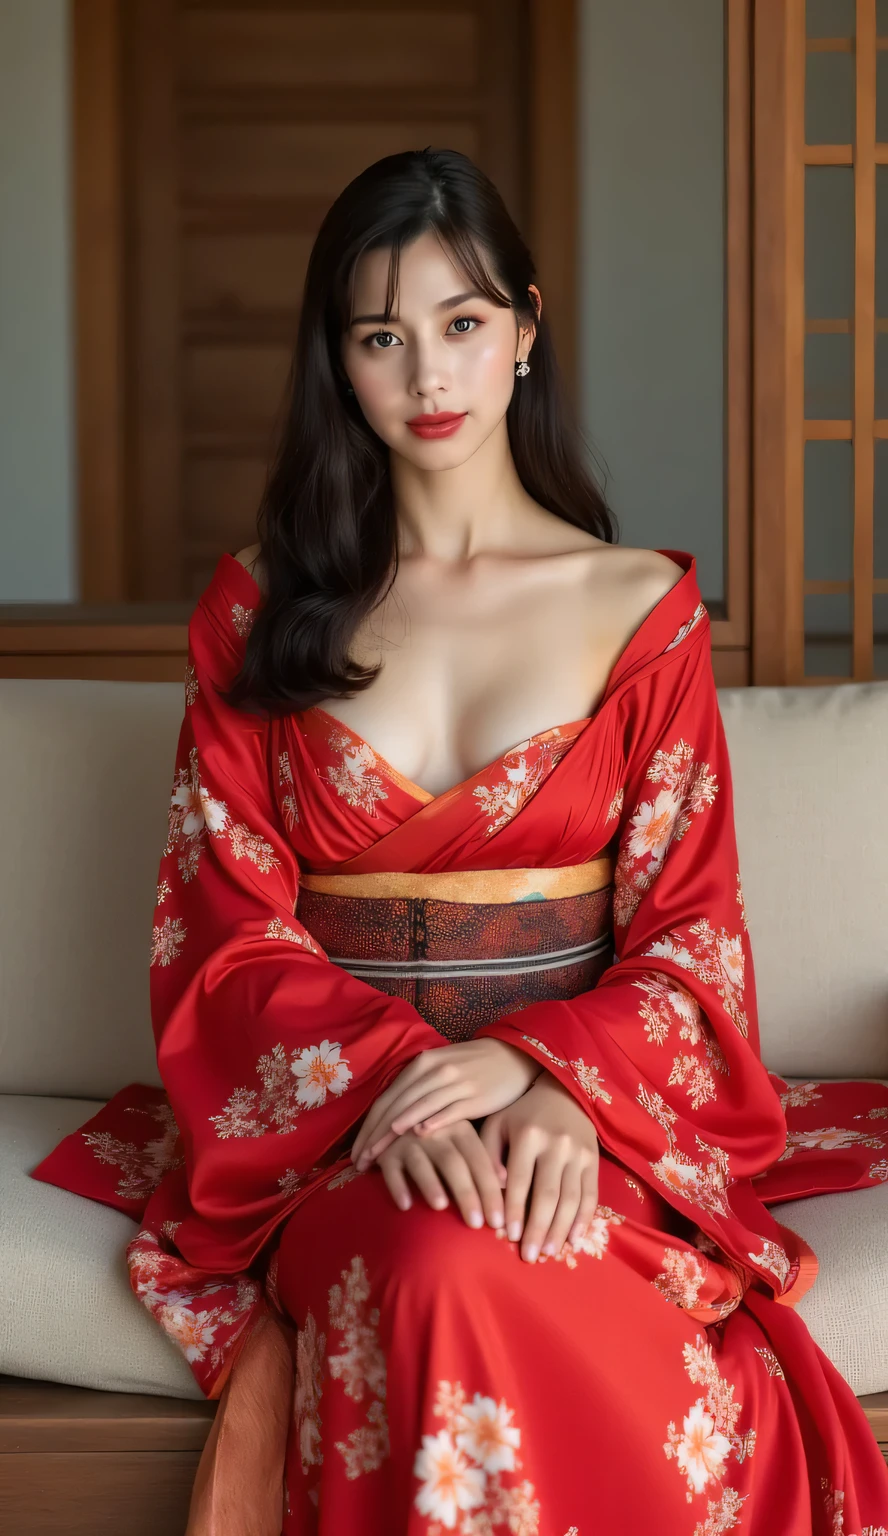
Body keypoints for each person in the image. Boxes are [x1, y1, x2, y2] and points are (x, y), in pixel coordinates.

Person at [32, 148, 888, 1535]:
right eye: (383, 337)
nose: (429, 377)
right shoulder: (260, 612)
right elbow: (221, 932)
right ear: (338, 360)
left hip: (588, 1124)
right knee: (433, 1264)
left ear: (527, 332)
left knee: (512, 1254)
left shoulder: (638, 612)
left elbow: (695, 939)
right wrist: (397, 1094)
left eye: (464, 324)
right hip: (345, 1124)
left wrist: (553, 1086)